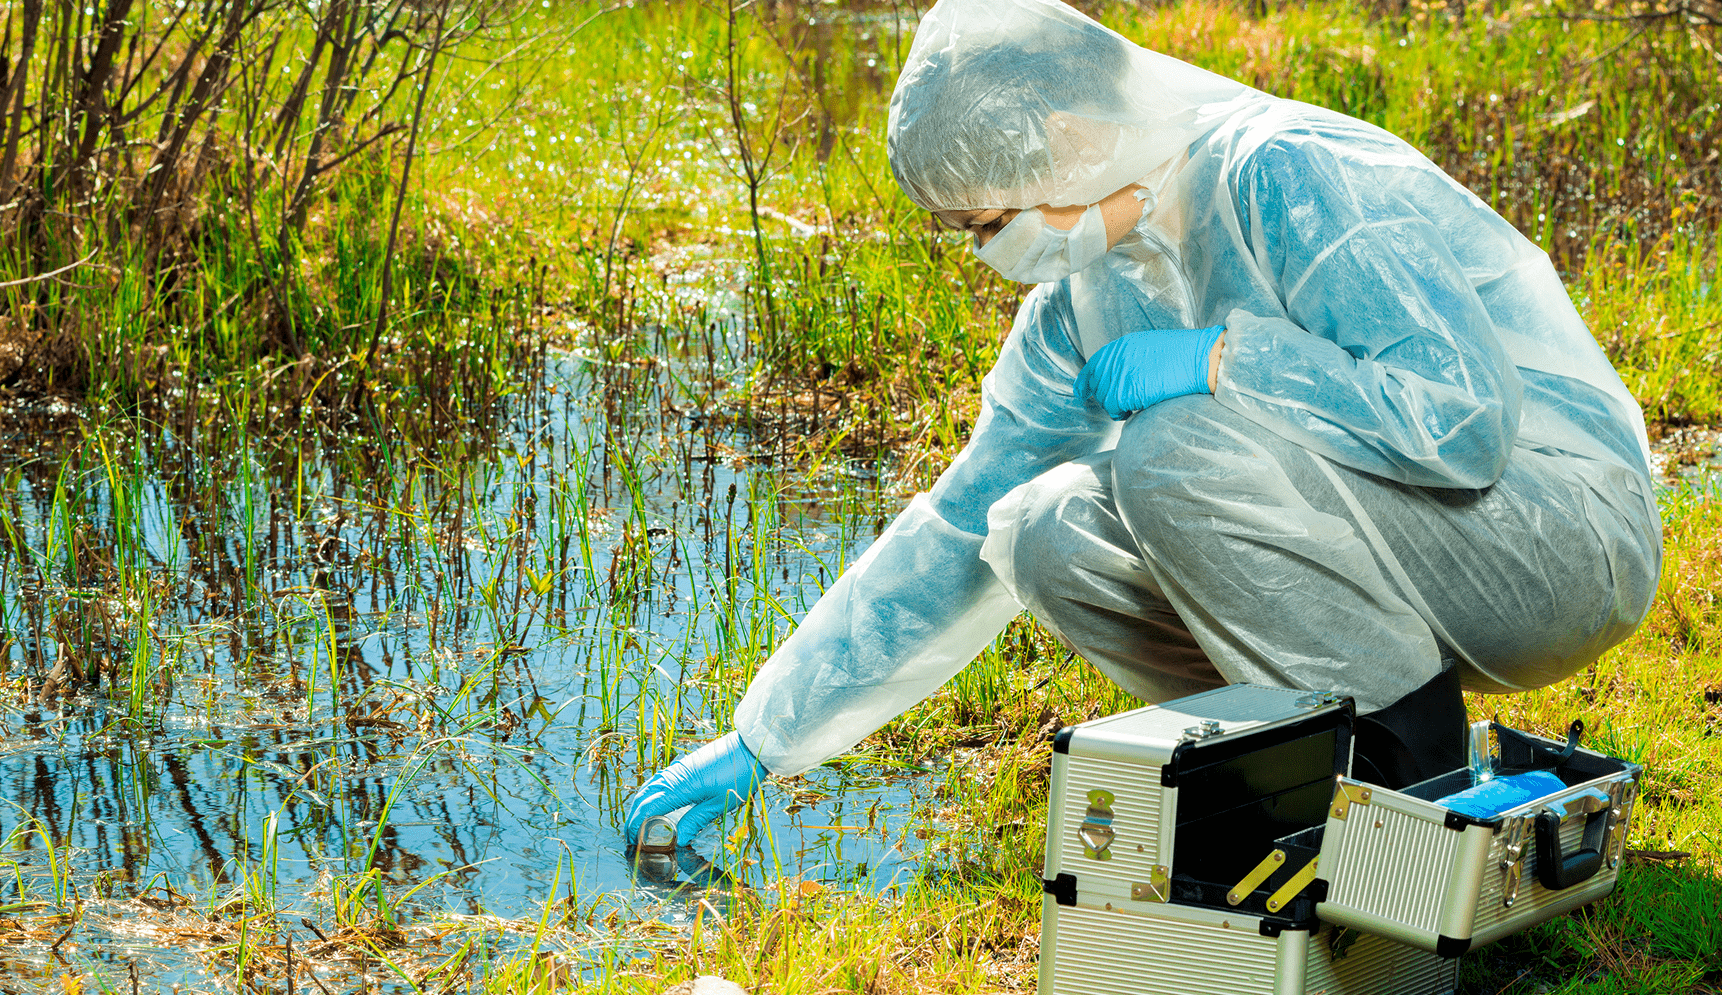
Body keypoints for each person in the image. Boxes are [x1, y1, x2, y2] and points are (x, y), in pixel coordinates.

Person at [623, 0, 1662, 849]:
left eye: (988, 221)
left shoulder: (1282, 171)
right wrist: (767, 733)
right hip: (1420, 560)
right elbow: (957, 524)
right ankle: (1308, 776)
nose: (989, 250)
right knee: (1041, 526)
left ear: (1069, 138)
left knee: (1172, 449)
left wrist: (1225, 359)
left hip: (1554, 533)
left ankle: (1417, 791)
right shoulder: (1084, 300)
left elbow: (1463, 417)